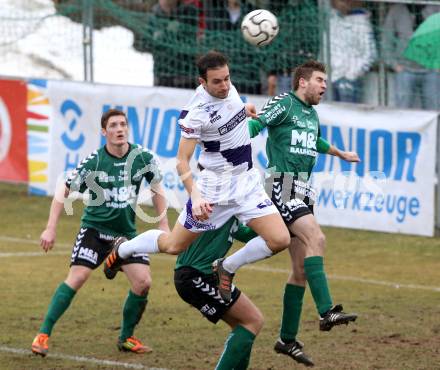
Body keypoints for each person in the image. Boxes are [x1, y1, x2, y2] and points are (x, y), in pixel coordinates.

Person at [103, 51, 291, 289]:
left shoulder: (229, 90)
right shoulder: (197, 114)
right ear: (202, 82)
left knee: (280, 239)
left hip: (246, 183)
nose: (224, 85)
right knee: (174, 245)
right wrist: (197, 196)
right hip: (213, 191)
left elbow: (229, 110)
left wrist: (245, 109)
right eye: (217, 81)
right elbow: (182, 160)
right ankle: (124, 248)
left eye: (227, 78)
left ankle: (227, 267)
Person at [214, 60, 360, 365]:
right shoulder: (285, 102)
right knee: (316, 238)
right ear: (302, 82)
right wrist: (243, 124)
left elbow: (313, 141)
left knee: (300, 269)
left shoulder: (312, 114)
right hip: (283, 183)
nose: (324, 86)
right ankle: (327, 311)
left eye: (325, 81)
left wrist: (340, 153)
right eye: (320, 80)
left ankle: (287, 340)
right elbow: (259, 124)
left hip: (305, 189)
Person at [31, 109, 169, 357]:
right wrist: (50, 227)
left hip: (125, 234)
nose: (120, 129)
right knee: (78, 277)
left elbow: (158, 188)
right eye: (114, 125)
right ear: (104, 132)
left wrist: (164, 226)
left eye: (123, 124)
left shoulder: (141, 157)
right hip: (95, 231)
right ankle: (43, 334)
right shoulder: (94, 161)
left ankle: (126, 338)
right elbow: (64, 188)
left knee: (143, 282)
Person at [174, 217, 268, 369]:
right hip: (196, 275)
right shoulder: (221, 201)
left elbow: (245, 234)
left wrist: (275, 226)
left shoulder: (232, 209)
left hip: (204, 275)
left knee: (244, 325)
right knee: (253, 321)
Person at [383, 3, 440, 110]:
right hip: (404, 70)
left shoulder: (436, 8)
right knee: (403, 111)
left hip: (432, 71)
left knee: (434, 111)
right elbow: (386, 39)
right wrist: (394, 65)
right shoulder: (396, 10)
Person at [328, 0, 377, 103]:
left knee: (348, 117)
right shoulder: (331, 20)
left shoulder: (362, 23)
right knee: (328, 117)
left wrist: (352, 75)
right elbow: (326, 47)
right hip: (329, 78)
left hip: (349, 80)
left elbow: (371, 55)